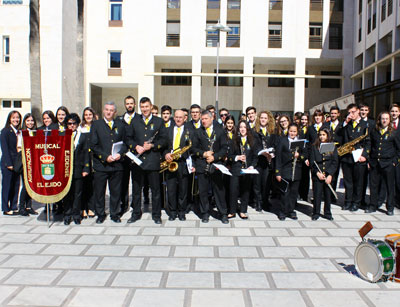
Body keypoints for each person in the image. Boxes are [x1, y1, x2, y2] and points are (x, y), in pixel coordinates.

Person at [126, 97, 167, 224]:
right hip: (138, 162)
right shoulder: (134, 121)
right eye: (142, 107)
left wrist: (153, 146)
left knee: (155, 190)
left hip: (152, 161)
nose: (144, 109)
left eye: (146, 106)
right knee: (137, 190)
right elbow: (128, 138)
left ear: (151, 107)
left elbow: (164, 140)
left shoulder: (159, 121)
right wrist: (135, 146)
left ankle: (156, 215)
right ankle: (136, 213)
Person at [90, 101, 127, 224]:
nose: (109, 112)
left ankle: (114, 214)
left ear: (115, 112)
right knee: (100, 192)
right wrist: (105, 157)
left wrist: (119, 154)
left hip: (117, 165)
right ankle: (100, 214)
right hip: (102, 165)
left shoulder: (121, 125)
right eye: (107, 109)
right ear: (103, 111)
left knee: (115, 191)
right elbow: (94, 145)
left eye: (111, 110)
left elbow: (126, 143)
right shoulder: (96, 125)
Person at [192, 110, 229, 224]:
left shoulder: (220, 131)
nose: (203, 121)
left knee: (219, 191)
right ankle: (205, 213)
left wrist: (215, 157)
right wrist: (203, 154)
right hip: (202, 166)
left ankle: (223, 213)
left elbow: (224, 148)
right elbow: (193, 148)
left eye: (205, 119)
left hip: (216, 165)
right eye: (202, 119)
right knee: (203, 191)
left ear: (212, 118)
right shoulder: (198, 132)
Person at [163, 110, 194, 221]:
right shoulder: (168, 130)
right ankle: (172, 212)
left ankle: (181, 212)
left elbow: (192, 148)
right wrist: (166, 154)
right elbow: (164, 146)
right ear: (173, 117)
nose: (178, 119)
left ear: (185, 118)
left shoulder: (190, 131)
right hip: (170, 162)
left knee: (183, 189)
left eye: (180, 117)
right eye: (176, 117)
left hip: (183, 163)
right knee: (171, 189)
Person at [367, 112, 400, 215]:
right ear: (379, 120)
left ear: (389, 120)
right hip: (375, 163)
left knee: (390, 186)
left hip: (388, 163)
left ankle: (390, 207)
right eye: (382, 119)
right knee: (373, 186)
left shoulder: (394, 133)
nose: (384, 121)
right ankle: (373, 205)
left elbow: (398, 149)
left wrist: (394, 162)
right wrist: (369, 160)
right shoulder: (374, 131)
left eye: (386, 119)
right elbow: (370, 146)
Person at [340, 103, 371, 212]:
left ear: (358, 111)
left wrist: (364, 156)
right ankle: (348, 202)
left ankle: (356, 203)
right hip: (347, 157)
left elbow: (368, 142)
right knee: (348, 182)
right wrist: (345, 123)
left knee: (359, 182)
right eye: (349, 112)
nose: (351, 114)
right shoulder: (346, 124)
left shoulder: (365, 124)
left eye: (353, 112)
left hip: (359, 158)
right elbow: (339, 136)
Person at [275, 124, 307, 221]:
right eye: (291, 131)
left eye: (294, 131)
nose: (292, 133)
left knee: (293, 193)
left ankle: (291, 210)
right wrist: (278, 172)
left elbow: (305, 154)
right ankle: (282, 211)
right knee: (284, 192)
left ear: (297, 132)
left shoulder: (300, 141)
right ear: (288, 131)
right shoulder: (282, 141)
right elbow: (278, 157)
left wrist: (299, 156)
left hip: (296, 171)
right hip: (285, 170)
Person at [227, 120, 258, 219]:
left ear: (247, 129)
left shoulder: (252, 141)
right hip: (235, 170)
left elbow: (255, 157)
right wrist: (237, 157)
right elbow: (230, 156)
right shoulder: (234, 140)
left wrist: (252, 166)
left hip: (247, 170)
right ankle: (232, 211)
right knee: (233, 190)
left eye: (244, 127)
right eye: (240, 127)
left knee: (245, 191)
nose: (242, 129)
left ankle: (243, 210)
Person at [63, 113, 90, 225]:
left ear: (78, 124)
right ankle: (67, 214)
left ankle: (76, 214)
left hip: (78, 168)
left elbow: (86, 154)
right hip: (65, 169)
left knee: (78, 193)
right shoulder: (62, 135)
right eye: (69, 123)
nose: (72, 125)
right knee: (67, 193)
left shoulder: (82, 136)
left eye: (74, 123)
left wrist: (86, 168)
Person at [309, 128, 338, 220]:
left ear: (328, 136)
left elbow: (335, 162)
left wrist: (330, 174)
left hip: (328, 175)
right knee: (317, 195)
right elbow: (312, 162)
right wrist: (317, 173)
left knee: (328, 195)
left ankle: (327, 213)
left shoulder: (332, 146)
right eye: (320, 135)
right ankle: (316, 212)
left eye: (324, 135)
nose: (322, 137)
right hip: (318, 174)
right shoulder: (314, 146)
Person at [118, 96, 138, 216]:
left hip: (136, 155)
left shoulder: (139, 119)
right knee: (123, 182)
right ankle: (123, 205)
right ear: (125, 105)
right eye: (127, 103)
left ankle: (135, 206)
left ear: (134, 105)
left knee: (136, 182)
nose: (129, 105)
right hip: (124, 156)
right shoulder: (120, 119)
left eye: (131, 103)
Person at [253, 110, 277, 211]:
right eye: (261, 118)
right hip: (258, 161)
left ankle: (265, 201)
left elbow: (275, 144)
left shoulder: (272, 131)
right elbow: (253, 146)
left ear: (269, 120)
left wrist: (272, 153)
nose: (263, 120)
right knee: (257, 183)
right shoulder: (254, 131)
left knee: (266, 183)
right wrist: (261, 152)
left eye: (265, 118)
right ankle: (258, 202)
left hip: (268, 161)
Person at [1, 111, 22, 216]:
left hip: (17, 162)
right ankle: (5, 207)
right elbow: (5, 149)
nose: (16, 120)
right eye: (13, 118)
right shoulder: (5, 131)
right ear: (9, 119)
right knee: (7, 186)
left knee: (16, 185)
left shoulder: (18, 132)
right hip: (8, 162)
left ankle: (14, 206)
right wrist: (9, 163)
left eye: (17, 118)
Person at [17, 113, 38, 216]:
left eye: (32, 121)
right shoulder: (22, 133)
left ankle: (29, 206)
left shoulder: (35, 132)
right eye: (28, 121)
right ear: (24, 122)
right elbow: (19, 148)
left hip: (34, 162)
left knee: (31, 185)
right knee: (25, 185)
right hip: (25, 162)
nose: (30, 123)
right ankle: (21, 207)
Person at [79, 107, 97, 218]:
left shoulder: (96, 127)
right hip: (83, 159)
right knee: (83, 185)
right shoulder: (80, 128)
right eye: (86, 115)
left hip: (94, 159)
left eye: (90, 114)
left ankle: (91, 207)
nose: (88, 116)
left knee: (93, 185)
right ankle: (83, 208)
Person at [390, 104, 400, 209]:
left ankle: (398, 201)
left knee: (398, 181)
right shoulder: (387, 124)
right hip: (388, 156)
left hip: (398, 157)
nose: (394, 113)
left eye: (396, 111)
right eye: (392, 111)